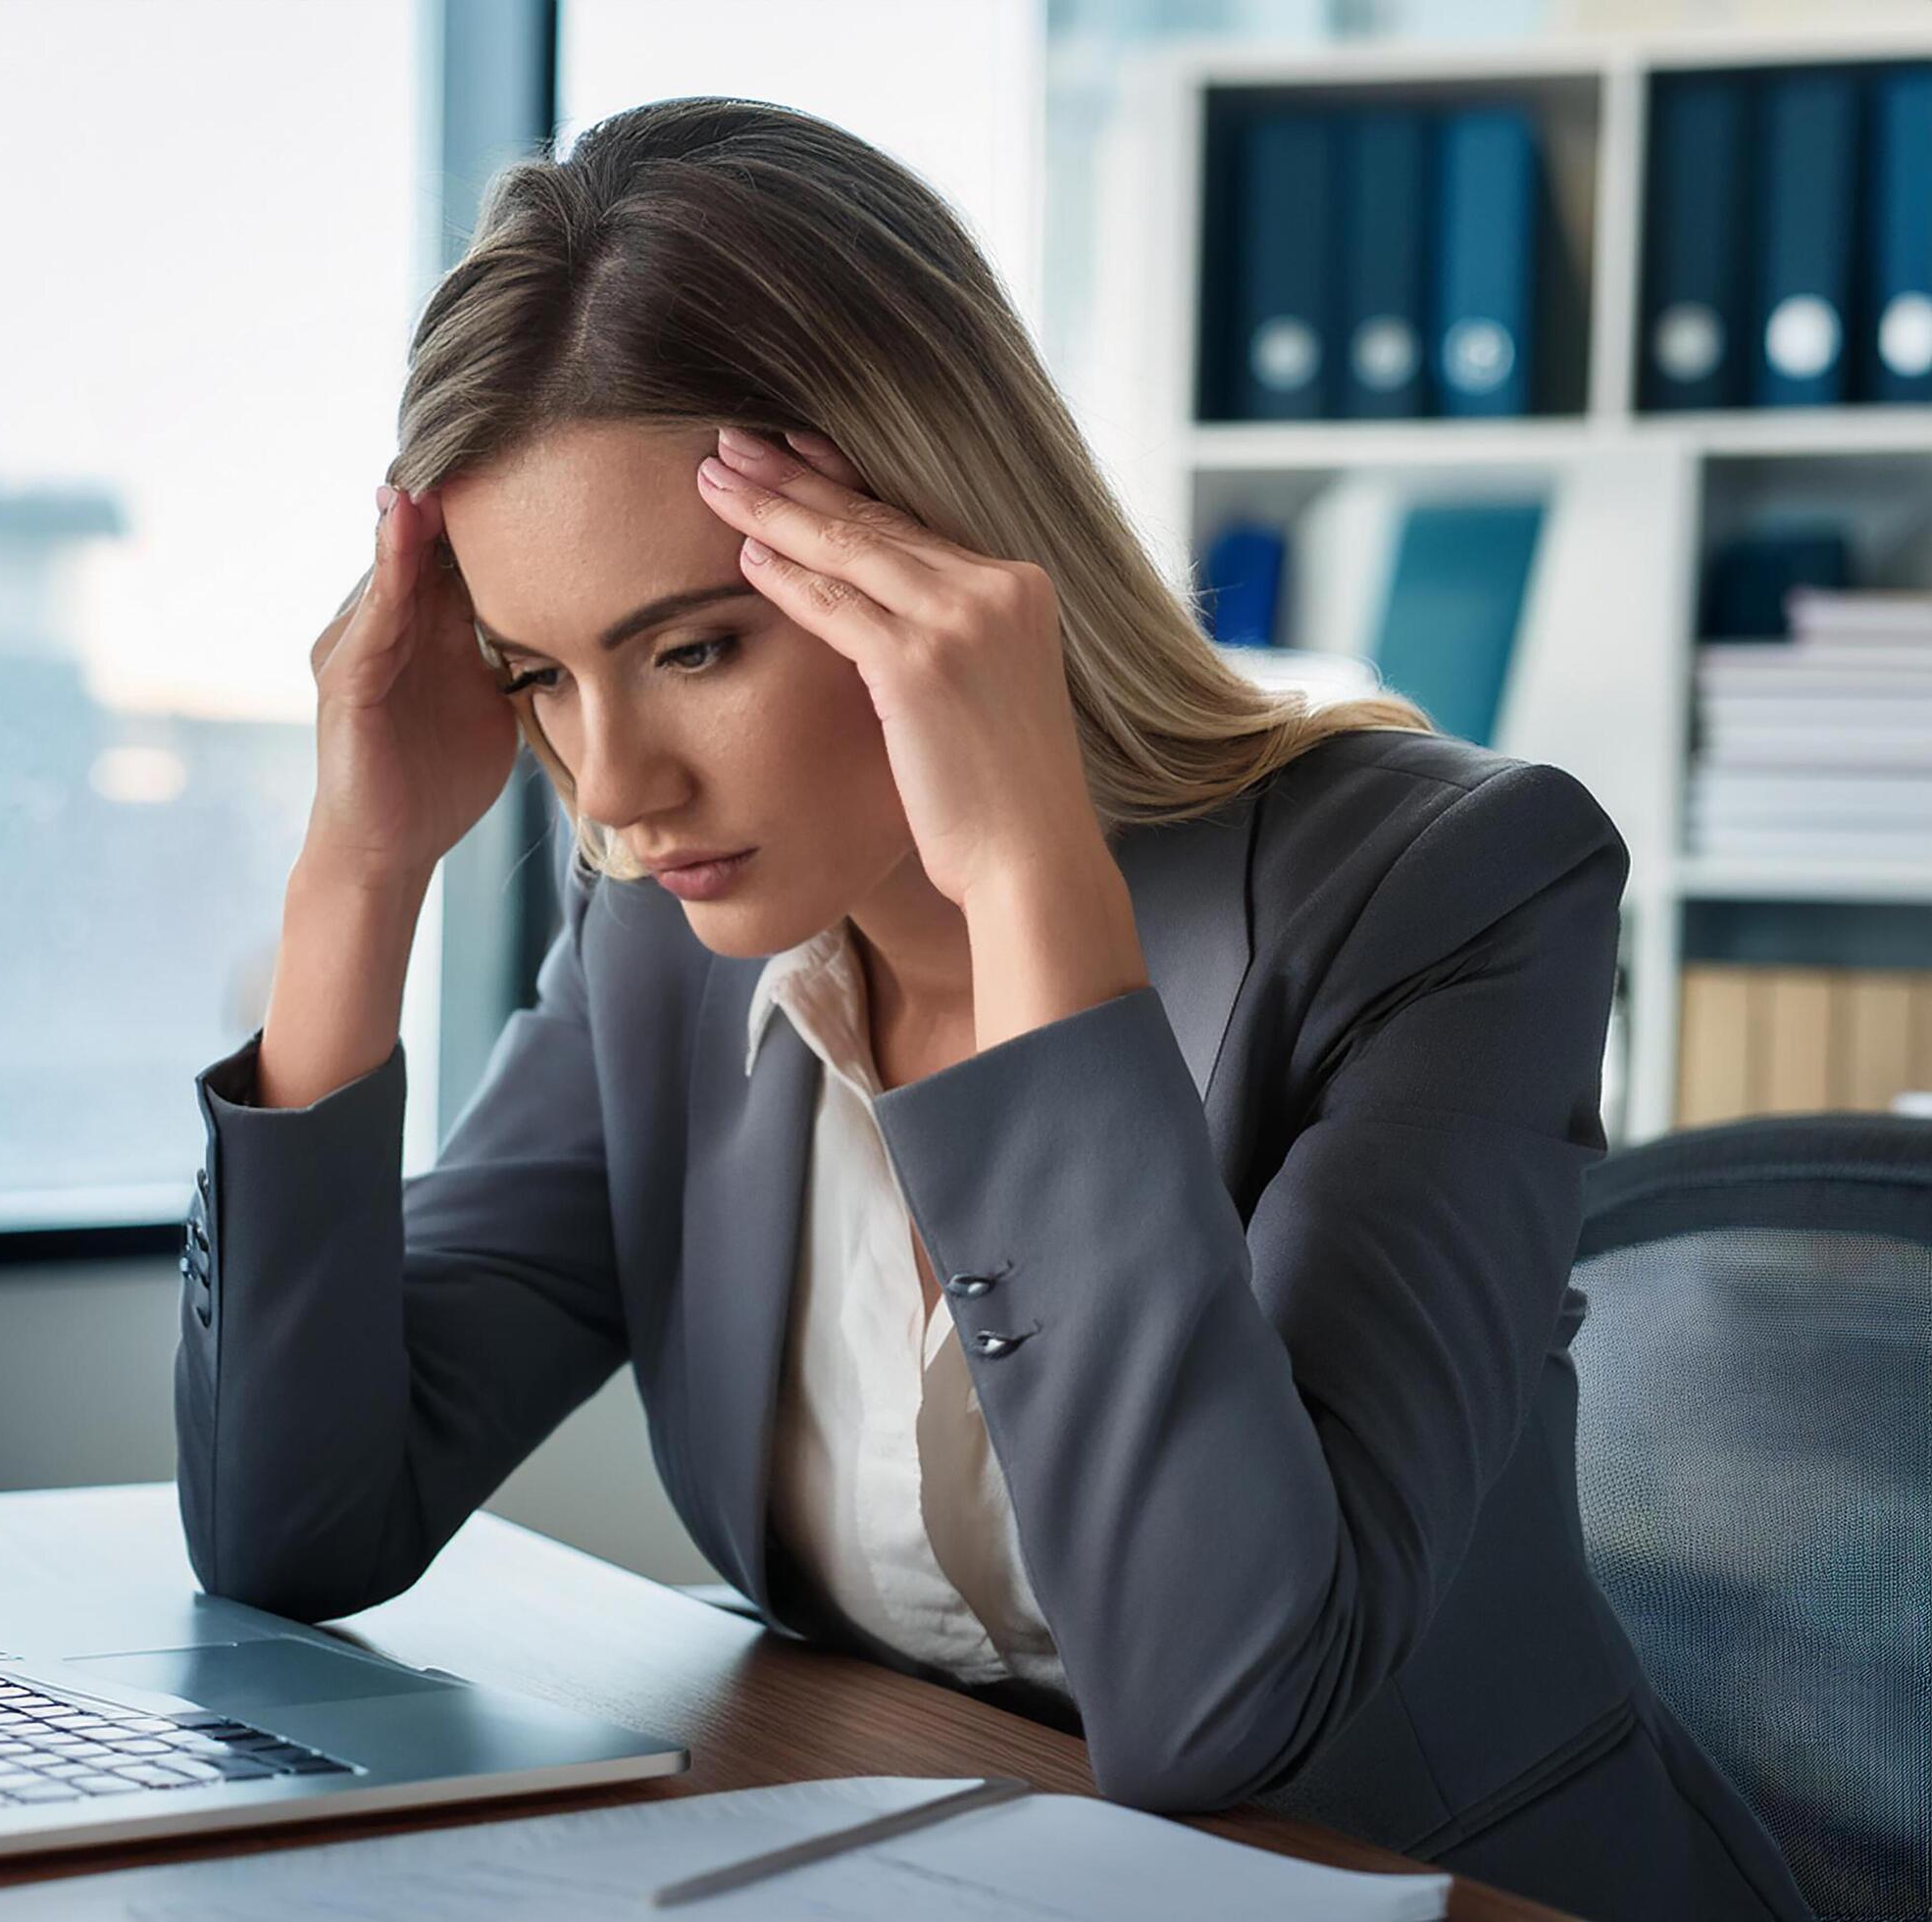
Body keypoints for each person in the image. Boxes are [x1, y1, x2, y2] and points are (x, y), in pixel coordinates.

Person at [173, 96, 1812, 1922]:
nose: (613, 785)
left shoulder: (1446, 893)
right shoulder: (660, 939)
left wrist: (1033, 888)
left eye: (695, 647)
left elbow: (1224, 1710)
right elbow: (292, 1532)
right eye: (537, 675)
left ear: (933, 556)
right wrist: (359, 876)